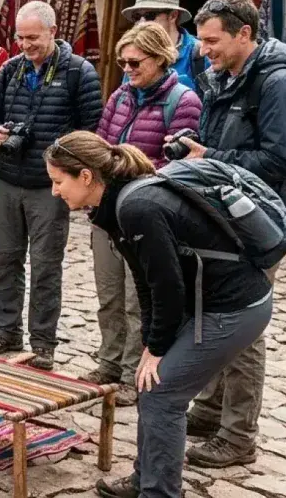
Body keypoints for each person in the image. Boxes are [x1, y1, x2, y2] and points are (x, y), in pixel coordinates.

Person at [42, 132, 273, 498]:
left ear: (85, 176)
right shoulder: (118, 204)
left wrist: (158, 345)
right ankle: (146, 477)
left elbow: (167, 287)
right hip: (207, 302)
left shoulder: (137, 207)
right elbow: (147, 282)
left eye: (58, 182)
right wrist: (152, 344)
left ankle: (159, 491)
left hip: (234, 308)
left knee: (162, 393)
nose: (55, 191)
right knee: (151, 384)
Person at [171, 0, 286, 468]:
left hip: (258, 225)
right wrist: (195, 149)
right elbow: (216, 144)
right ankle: (210, 411)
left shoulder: (278, 84)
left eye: (212, 40)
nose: (203, 49)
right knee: (212, 316)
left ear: (245, 34)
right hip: (223, 219)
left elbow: (281, 161)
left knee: (243, 326)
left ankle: (238, 435)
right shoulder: (224, 78)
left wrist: (210, 159)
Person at [0, 0, 103, 370]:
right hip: (7, 178)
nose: (25, 44)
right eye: (20, 37)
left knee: (46, 265)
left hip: (50, 187)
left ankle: (43, 343)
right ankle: (7, 331)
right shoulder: (9, 70)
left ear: (53, 32)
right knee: (6, 259)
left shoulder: (79, 72)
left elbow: (90, 131)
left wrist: (65, 162)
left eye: (33, 37)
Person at [86, 22, 203, 406]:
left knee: (140, 298)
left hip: (144, 214)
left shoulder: (183, 101)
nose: (128, 69)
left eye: (135, 62)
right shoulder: (119, 97)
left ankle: (132, 372)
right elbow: (101, 146)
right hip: (109, 212)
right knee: (109, 294)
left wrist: (130, 173)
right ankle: (108, 362)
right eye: (123, 62)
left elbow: (179, 164)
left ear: (159, 58)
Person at [121, 0, 206, 87]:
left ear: (173, 16)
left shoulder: (200, 52)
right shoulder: (134, 55)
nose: (141, 22)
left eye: (150, 15)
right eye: (137, 16)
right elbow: (126, 98)